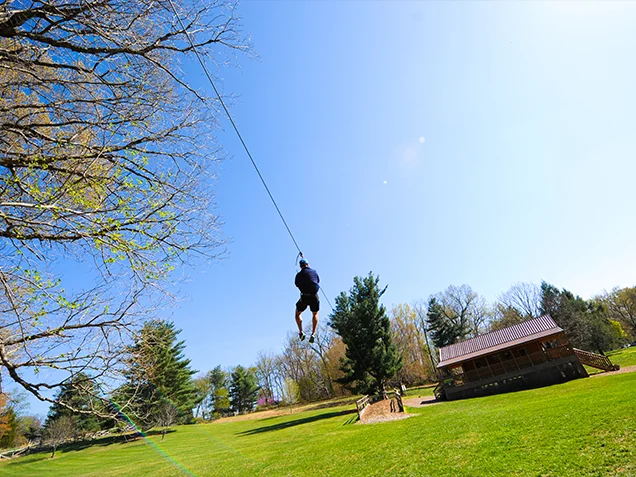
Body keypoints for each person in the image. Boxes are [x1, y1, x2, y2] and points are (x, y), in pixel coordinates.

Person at [294, 259, 319, 343]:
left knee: (297, 314)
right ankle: (313, 333)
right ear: (307, 264)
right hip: (314, 297)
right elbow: (317, 281)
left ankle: (301, 332)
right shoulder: (314, 272)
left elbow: (297, 284)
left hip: (304, 297)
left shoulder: (298, 275)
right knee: (315, 313)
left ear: (300, 266)